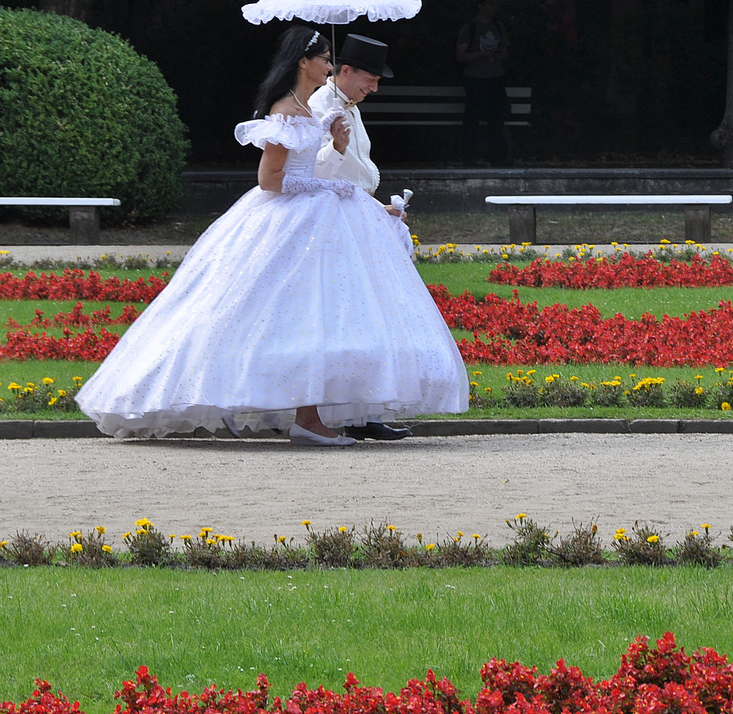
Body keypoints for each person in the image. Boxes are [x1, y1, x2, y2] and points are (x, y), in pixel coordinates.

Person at [74, 26, 468, 447]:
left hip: (318, 213)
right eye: (324, 60)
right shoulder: (286, 110)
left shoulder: (309, 107)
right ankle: (292, 414)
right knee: (265, 310)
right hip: (292, 217)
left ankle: (312, 417)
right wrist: (326, 184)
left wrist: (334, 146)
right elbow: (270, 180)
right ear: (304, 62)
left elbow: (313, 166)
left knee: (312, 314)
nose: (329, 67)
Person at [310, 33, 413, 442]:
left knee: (369, 316)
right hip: (334, 221)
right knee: (347, 315)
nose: (373, 88)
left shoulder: (349, 106)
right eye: (369, 79)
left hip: (356, 214)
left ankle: (363, 411)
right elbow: (317, 171)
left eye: (377, 81)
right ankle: (352, 412)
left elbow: (357, 172)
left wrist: (377, 207)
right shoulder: (322, 105)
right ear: (345, 71)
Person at [455, 0, 511, 164]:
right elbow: (460, 55)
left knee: (496, 119)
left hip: (496, 77)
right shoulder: (470, 28)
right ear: (481, 6)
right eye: (490, 4)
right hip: (476, 79)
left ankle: (496, 157)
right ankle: (469, 158)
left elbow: (506, 52)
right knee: (473, 120)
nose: (493, 8)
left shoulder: (498, 26)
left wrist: (499, 54)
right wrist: (480, 54)